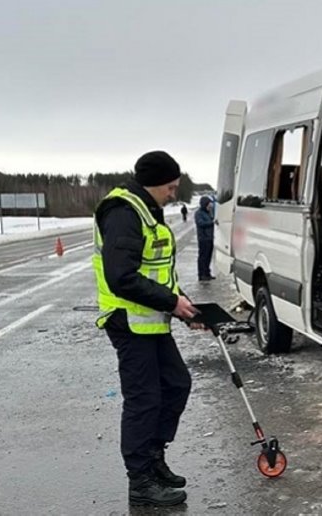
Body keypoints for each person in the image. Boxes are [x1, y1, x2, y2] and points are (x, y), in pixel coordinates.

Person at [92, 150, 204, 508]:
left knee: (176, 385)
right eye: (170, 187)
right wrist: (172, 303)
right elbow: (121, 277)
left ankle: (154, 458)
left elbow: (159, 272)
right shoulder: (123, 212)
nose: (174, 193)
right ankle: (140, 480)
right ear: (154, 184)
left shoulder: (147, 209)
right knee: (144, 399)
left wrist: (185, 307)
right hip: (128, 320)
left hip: (151, 319)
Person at [194, 196, 215, 281]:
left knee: (208, 257)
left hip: (210, 238)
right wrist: (211, 222)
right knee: (203, 257)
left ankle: (207, 273)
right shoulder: (198, 213)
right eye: (208, 204)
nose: (210, 206)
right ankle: (201, 274)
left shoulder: (208, 212)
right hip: (203, 238)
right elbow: (200, 223)